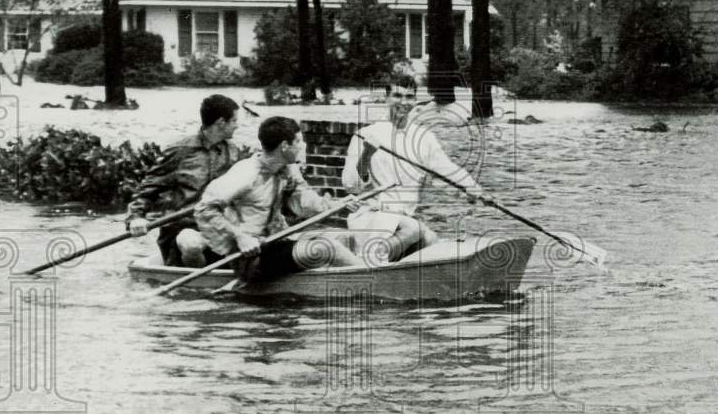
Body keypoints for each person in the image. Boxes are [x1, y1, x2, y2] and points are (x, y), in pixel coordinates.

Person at [195, 116, 362, 281]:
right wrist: (240, 237)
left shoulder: (288, 170)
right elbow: (204, 209)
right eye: (298, 142)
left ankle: (360, 272)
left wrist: (337, 204)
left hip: (276, 243)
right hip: (249, 256)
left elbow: (304, 202)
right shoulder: (246, 173)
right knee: (328, 247)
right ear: (284, 146)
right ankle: (371, 277)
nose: (303, 146)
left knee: (340, 236)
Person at [341, 76, 484, 262]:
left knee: (431, 241)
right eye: (397, 95)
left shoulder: (424, 138)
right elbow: (351, 185)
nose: (403, 102)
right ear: (386, 98)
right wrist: (366, 154)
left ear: (415, 100)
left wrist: (471, 187)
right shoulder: (365, 135)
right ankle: (368, 260)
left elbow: (447, 168)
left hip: (405, 218)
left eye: (409, 97)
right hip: (372, 217)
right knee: (413, 229)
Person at [125, 94, 240, 267]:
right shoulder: (180, 151)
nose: (237, 126)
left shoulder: (232, 151)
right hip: (181, 231)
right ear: (221, 123)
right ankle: (200, 288)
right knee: (190, 243)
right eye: (234, 121)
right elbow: (147, 189)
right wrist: (135, 218)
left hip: (219, 228)